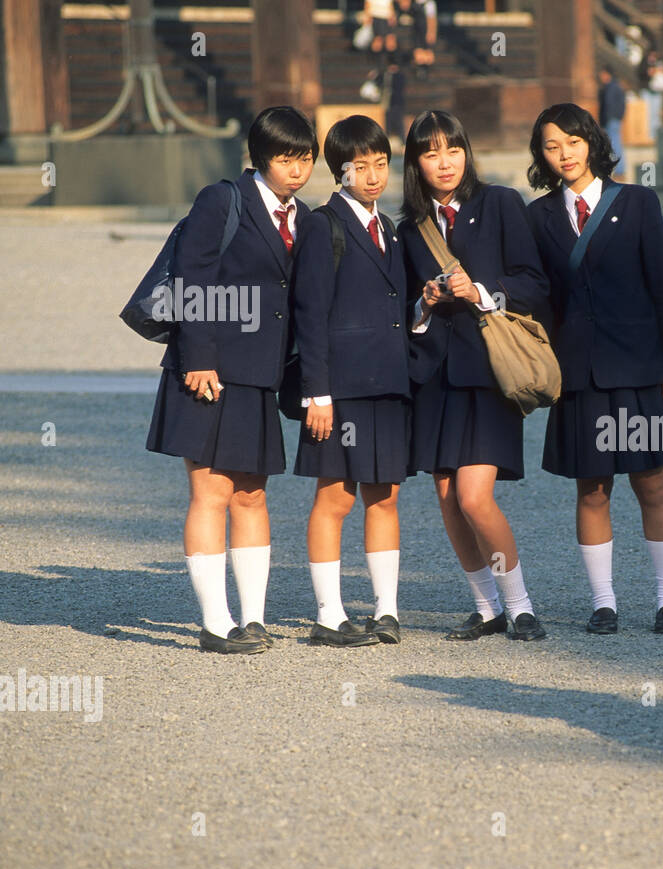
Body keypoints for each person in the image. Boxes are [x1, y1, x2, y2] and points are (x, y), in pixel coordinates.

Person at [146, 105, 318, 655]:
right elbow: (193, 278)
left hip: (259, 377)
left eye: (306, 159)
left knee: (252, 496)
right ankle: (215, 623)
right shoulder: (222, 200)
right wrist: (198, 358)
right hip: (208, 369)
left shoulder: (304, 216)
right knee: (210, 492)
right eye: (286, 159)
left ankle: (253, 619)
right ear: (261, 157)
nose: (297, 170)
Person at [524, 103, 663, 636]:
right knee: (591, 488)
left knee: (652, 483)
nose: (564, 153)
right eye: (552, 146)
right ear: (542, 156)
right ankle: (604, 602)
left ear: (592, 142)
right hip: (578, 373)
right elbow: (537, 296)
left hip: (641, 366)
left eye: (572, 141)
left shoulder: (638, 201)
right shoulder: (538, 216)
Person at [397, 109, 550, 642]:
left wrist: (479, 292)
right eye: (431, 152)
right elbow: (403, 312)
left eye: (453, 149)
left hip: (490, 372)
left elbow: (535, 284)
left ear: (467, 152)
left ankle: (521, 604)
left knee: (473, 496)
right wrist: (425, 301)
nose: (445, 162)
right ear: (416, 161)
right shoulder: (409, 228)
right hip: (435, 376)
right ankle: (486, 607)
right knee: (445, 496)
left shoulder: (503, 203)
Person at [292, 115, 411, 648]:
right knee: (335, 498)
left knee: (384, 497)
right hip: (338, 391)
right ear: (339, 170)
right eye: (359, 166)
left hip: (386, 384)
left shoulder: (391, 228)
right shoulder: (323, 224)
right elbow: (309, 314)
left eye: (380, 164)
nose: (372, 176)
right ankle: (329, 614)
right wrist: (317, 393)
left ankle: (386, 611)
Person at [597, 68, 626, 179]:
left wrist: (607, 119)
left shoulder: (611, 87)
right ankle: (619, 170)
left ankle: (619, 171)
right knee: (614, 144)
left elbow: (609, 105)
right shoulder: (615, 86)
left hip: (611, 120)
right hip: (614, 119)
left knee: (614, 144)